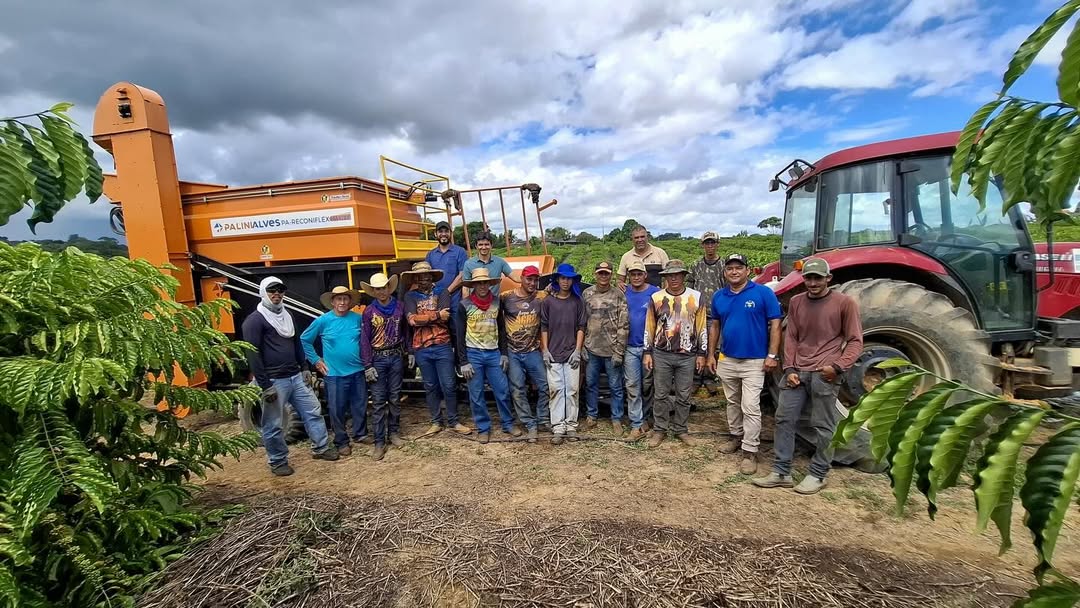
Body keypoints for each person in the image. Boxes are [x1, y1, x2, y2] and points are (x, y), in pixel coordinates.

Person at [753, 258, 863, 495]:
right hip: (798, 372)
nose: (813, 283)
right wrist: (790, 368)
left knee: (823, 425)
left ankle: (819, 473)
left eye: (818, 278)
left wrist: (837, 366)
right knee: (784, 419)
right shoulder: (796, 302)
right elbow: (791, 337)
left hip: (824, 374)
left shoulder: (844, 303)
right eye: (809, 278)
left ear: (828, 279)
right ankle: (782, 471)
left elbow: (855, 341)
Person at [242, 277, 338, 476]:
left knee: (313, 411)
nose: (276, 294)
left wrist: (303, 367)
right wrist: (264, 385)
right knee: (274, 423)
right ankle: (277, 461)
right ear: (263, 292)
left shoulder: (287, 315)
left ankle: (321, 448)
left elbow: (295, 343)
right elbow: (252, 353)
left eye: (280, 290)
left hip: (295, 376)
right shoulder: (255, 320)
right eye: (272, 290)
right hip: (274, 380)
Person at [706, 253, 782, 475]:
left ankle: (750, 451)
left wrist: (772, 355)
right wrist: (711, 354)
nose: (734, 272)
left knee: (750, 406)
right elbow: (715, 326)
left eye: (739, 268)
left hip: (754, 360)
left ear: (747, 270)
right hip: (728, 358)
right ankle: (736, 436)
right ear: (725, 272)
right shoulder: (720, 296)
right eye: (730, 268)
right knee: (732, 402)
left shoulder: (763, 293)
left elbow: (775, 325)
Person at [643, 260, 708, 448]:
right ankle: (660, 429)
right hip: (661, 353)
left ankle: (681, 429)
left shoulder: (696, 297)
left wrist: (702, 353)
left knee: (684, 394)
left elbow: (701, 326)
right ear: (665, 277)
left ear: (684, 276)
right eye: (670, 275)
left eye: (677, 275)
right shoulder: (656, 298)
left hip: (687, 354)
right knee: (661, 394)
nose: (674, 278)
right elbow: (650, 326)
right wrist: (647, 352)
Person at [403, 261, 472, 437]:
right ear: (416, 278)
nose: (424, 278)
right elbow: (411, 320)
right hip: (421, 347)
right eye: (420, 276)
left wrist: (424, 318)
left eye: (427, 275)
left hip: (442, 345)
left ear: (432, 276)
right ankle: (436, 421)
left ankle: (453, 420)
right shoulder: (410, 296)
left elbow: (445, 316)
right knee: (430, 385)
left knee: (449, 385)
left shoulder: (442, 292)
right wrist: (436, 315)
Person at [300, 285, 367, 457]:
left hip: (357, 370)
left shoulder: (357, 319)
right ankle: (341, 440)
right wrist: (315, 360)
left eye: (345, 299)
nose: (342, 302)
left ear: (350, 302)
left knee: (360, 405)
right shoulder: (323, 320)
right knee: (337, 409)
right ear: (332, 302)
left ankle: (360, 434)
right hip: (335, 374)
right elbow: (304, 339)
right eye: (339, 299)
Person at [456, 267, 518, 443]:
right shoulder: (464, 305)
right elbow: (459, 335)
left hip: (493, 354)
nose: (482, 286)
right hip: (473, 354)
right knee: (476, 394)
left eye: (485, 282)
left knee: (503, 390)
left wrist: (504, 354)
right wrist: (463, 362)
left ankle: (508, 423)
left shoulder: (497, 303)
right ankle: (483, 428)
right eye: (479, 283)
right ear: (474, 285)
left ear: (490, 284)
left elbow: (501, 328)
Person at [360, 272, 407, 461]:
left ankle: (394, 432)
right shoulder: (369, 312)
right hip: (378, 358)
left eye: (384, 287)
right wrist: (367, 364)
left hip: (396, 355)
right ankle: (379, 441)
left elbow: (405, 330)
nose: (381, 291)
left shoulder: (400, 307)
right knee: (379, 401)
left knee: (395, 397)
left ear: (389, 288)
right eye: (378, 289)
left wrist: (408, 351)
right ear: (373, 291)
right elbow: (365, 339)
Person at [501, 265, 550, 444]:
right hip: (513, 352)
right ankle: (529, 423)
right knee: (517, 389)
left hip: (532, 351)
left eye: (536, 280)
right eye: (529, 279)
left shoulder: (542, 296)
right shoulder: (506, 297)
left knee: (546, 386)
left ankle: (543, 418)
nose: (532, 283)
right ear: (521, 278)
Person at [540, 263, 587, 444]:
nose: (565, 281)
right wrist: (545, 350)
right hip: (553, 353)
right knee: (556, 390)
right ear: (557, 280)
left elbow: (581, 326)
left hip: (570, 353)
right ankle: (558, 426)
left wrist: (577, 350)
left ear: (572, 280)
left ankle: (571, 426)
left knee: (572, 390)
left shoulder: (577, 302)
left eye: (569, 278)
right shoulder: (548, 302)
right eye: (562, 278)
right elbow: (543, 326)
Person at [581, 261, 629, 435]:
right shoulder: (587, 294)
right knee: (591, 384)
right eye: (600, 273)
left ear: (611, 275)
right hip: (592, 349)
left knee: (615, 386)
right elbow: (581, 321)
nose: (603, 276)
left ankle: (616, 418)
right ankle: (591, 415)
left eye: (606, 273)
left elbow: (624, 324)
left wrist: (619, 351)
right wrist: (582, 346)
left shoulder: (618, 295)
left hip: (612, 350)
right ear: (595, 274)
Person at [623, 260, 660, 441]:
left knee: (647, 385)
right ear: (629, 276)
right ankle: (636, 424)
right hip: (629, 347)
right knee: (632, 385)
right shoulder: (623, 292)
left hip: (649, 348)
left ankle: (646, 417)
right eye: (633, 274)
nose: (636, 277)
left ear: (645, 275)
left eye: (639, 274)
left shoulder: (655, 293)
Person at [688, 231, 726, 395]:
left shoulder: (724, 265)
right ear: (702, 245)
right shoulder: (696, 265)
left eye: (712, 243)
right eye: (707, 243)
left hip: (717, 314)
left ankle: (710, 378)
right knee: (697, 346)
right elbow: (689, 287)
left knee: (714, 347)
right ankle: (696, 379)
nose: (710, 246)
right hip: (698, 314)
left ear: (717, 244)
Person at [425, 220, 469, 329]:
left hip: (455, 299)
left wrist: (447, 291)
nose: (443, 234)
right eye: (440, 231)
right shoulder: (430, 255)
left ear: (450, 233)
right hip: (436, 300)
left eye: (446, 231)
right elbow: (427, 276)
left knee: (457, 330)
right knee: (440, 331)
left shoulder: (460, 251)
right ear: (435, 234)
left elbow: (462, 275)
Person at [616, 225, 670, 289]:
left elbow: (668, 277)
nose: (640, 240)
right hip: (635, 296)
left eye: (642, 237)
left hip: (656, 296)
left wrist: (664, 293)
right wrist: (620, 284)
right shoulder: (626, 256)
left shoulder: (660, 253)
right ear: (632, 239)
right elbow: (620, 280)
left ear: (647, 237)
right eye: (636, 237)